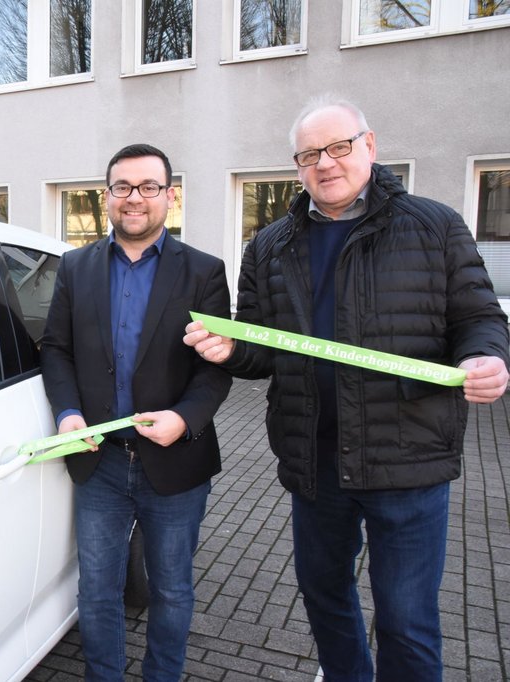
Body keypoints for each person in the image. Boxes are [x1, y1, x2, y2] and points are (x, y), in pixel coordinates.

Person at [184, 97, 510, 681]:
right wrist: (231, 351)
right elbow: (264, 348)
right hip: (315, 462)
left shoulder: (435, 225)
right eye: (309, 154)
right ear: (297, 165)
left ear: (370, 146)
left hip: (407, 458)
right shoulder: (270, 245)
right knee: (324, 598)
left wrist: (486, 356)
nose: (325, 163)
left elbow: (479, 317)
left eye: (339, 147)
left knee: (406, 619)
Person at [41, 143, 233, 680]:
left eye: (149, 187)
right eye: (123, 187)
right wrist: (67, 413)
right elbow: (56, 348)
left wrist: (185, 418)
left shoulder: (203, 271)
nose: (134, 198)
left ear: (169, 196)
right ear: (107, 196)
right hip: (98, 461)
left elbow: (217, 367)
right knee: (96, 589)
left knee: (171, 589)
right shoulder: (75, 267)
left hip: (175, 461)